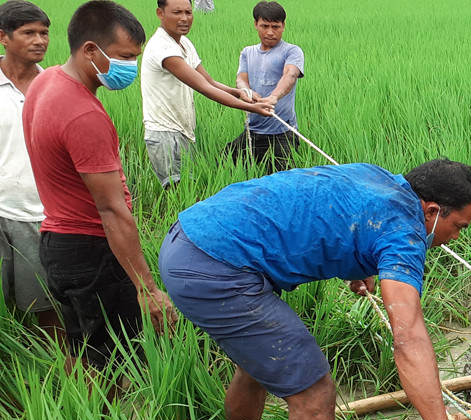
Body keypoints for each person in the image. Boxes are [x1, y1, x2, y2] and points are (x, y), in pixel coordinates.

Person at [159, 160, 471, 420]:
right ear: (431, 211)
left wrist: (359, 262)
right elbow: (409, 337)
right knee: (313, 395)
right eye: (458, 226)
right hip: (216, 269)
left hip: (191, 238)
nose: (457, 237)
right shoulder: (405, 233)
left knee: (257, 367)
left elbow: (330, 212)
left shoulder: (379, 179)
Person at [22, 1, 176, 376]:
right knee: (115, 361)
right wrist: (147, 288)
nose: (131, 68)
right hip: (92, 252)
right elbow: (112, 211)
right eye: (124, 56)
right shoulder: (84, 115)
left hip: (56, 243)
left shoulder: (46, 81)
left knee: (82, 347)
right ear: (90, 49)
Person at [141, 0, 272, 188]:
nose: (185, 18)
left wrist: (239, 92)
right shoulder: (163, 49)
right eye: (177, 12)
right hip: (165, 135)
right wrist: (251, 107)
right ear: (160, 13)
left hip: (182, 131)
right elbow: (204, 88)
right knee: (179, 194)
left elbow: (209, 81)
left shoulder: (183, 43)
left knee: (190, 189)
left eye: (188, 12)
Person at [0, 0, 60, 339]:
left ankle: (54, 367)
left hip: (40, 211)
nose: (39, 40)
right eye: (28, 33)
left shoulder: (54, 86)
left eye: (44, 33)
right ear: (3, 37)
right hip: (2, 207)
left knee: (44, 301)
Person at [223, 1, 302, 174]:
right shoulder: (247, 52)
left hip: (281, 132)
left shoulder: (292, 51)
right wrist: (246, 91)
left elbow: (290, 75)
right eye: (264, 26)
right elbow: (241, 79)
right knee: (224, 164)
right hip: (252, 130)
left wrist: (273, 97)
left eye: (276, 26)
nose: (270, 32)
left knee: (282, 183)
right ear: (255, 25)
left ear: (283, 26)